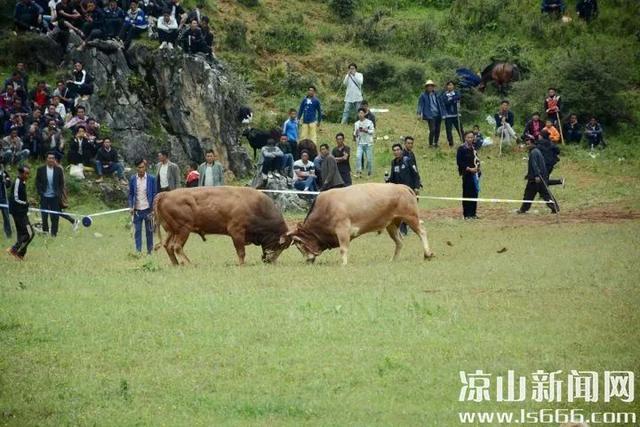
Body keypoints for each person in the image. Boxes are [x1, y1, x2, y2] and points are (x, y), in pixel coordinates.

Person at [516, 138, 558, 214]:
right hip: (539, 177)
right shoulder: (537, 151)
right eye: (526, 144)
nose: (527, 145)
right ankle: (555, 207)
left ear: (533, 144)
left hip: (536, 178)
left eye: (528, 144)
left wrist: (536, 175)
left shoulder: (534, 153)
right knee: (544, 194)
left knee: (529, 194)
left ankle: (523, 209)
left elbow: (535, 165)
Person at [128, 159, 156, 255]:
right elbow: (131, 194)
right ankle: (138, 252)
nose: (141, 169)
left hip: (148, 210)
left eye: (142, 167)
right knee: (138, 232)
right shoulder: (132, 179)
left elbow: (155, 194)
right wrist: (130, 206)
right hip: (137, 211)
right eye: (139, 167)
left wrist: (154, 209)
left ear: (145, 167)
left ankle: (150, 251)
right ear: (136, 168)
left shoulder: (151, 179)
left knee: (149, 232)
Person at [7, 165, 34, 260]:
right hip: (17, 212)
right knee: (29, 233)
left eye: (28, 173)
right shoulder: (17, 182)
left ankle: (20, 255)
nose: (27, 175)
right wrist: (27, 203)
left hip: (22, 212)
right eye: (26, 173)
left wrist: (27, 202)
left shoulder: (23, 182)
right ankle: (14, 249)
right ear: (21, 173)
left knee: (22, 234)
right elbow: (15, 199)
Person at [35, 152, 65, 236]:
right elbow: (37, 182)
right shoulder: (41, 169)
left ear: (55, 160)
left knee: (55, 217)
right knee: (44, 216)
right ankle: (45, 232)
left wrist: (58, 193)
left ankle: (54, 234)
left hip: (55, 197)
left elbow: (61, 183)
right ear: (46, 159)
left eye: (53, 158)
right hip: (44, 196)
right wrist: (40, 192)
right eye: (49, 158)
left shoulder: (58, 170)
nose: (51, 160)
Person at [456, 132, 481, 219]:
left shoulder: (473, 149)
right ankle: (466, 214)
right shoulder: (461, 149)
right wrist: (469, 169)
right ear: (465, 138)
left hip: (475, 175)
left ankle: (473, 213)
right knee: (467, 194)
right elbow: (459, 162)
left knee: (475, 193)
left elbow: (476, 160)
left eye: (472, 137)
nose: (470, 139)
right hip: (467, 175)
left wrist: (477, 168)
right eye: (468, 137)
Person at [417, 80, 444, 148]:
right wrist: (419, 113)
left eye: (431, 86)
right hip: (430, 115)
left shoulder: (437, 94)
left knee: (438, 129)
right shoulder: (423, 95)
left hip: (438, 114)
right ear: (426, 87)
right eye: (428, 86)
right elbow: (420, 105)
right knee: (432, 130)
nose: (430, 87)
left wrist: (443, 113)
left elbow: (441, 103)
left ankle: (436, 143)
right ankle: (430, 144)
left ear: (433, 87)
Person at [353, 107, 375, 178]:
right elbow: (355, 134)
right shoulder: (356, 123)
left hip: (368, 143)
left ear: (364, 114)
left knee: (369, 159)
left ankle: (369, 172)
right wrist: (356, 132)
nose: (360, 114)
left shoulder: (369, 122)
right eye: (359, 113)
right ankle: (358, 172)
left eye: (362, 113)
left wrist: (366, 131)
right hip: (360, 143)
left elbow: (372, 131)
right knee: (358, 157)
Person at [441, 81, 462, 147]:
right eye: (448, 85)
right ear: (447, 86)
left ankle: (463, 140)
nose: (450, 86)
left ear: (453, 86)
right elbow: (446, 102)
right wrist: (453, 100)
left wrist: (451, 99)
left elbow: (458, 97)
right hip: (448, 115)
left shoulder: (456, 92)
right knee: (449, 130)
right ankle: (451, 144)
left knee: (460, 128)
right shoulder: (444, 94)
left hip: (456, 115)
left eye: (451, 85)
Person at [0, 163, 12, 239]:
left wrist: (6, 182)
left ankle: (8, 235)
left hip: (3, 198)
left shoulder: (3, 172)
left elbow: (8, 183)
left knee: (6, 217)